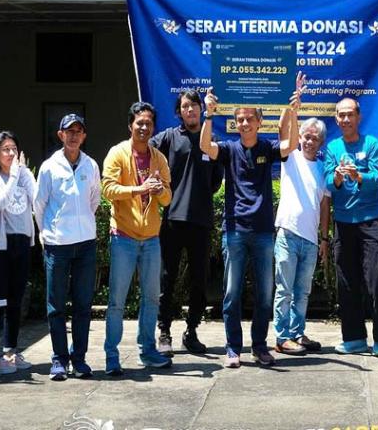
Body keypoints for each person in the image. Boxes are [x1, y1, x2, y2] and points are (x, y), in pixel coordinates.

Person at [200, 80, 299, 368]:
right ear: (235, 123)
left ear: (259, 122)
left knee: (264, 296)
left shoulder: (267, 148)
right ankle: (233, 348)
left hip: (263, 232)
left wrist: (292, 111)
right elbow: (205, 145)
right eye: (239, 119)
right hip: (234, 231)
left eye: (249, 119)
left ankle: (259, 346)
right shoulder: (229, 149)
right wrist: (209, 114)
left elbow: (291, 144)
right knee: (231, 295)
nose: (244, 123)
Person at [150, 91, 223, 356]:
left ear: (201, 109)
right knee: (167, 279)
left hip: (201, 221)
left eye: (194, 105)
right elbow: (143, 151)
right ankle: (164, 332)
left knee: (199, 281)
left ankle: (191, 331)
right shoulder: (168, 138)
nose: (190, 109)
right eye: (185, 106)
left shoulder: (211, 140)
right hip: (171, 220)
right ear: (179, 111)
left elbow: (216, 181)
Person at [102, 102, 173, 375]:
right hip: (124, 236)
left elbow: (168, 198)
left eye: (148, 123)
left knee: (152, 298)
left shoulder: (159, 158)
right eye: (139, 122)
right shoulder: (117, 153)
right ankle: (112, 356)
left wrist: (157, 191)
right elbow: (108, 189)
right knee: (117, 301)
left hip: (152, 238)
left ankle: (148, 350)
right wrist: (139, 188)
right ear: (130, 124)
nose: (144, 127)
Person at [34, 113, 101, 381]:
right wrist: (47, 234)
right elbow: (39, 206)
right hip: (58, 245)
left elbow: (94, 200)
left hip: (85, 244)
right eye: (68, 131)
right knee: (56, 306)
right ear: (60, 135)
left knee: (83, 305)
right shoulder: (49, 167)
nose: (74, 136)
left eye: (78, 131)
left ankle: (80, 359)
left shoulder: (91, 165)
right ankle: (59, 359)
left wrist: (81, 223)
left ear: (84, 136)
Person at [324, 97, 378, 357]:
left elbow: (377, 177)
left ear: (359, 117)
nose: (346, 119)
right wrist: (338, 178)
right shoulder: (332, 147)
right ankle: (354, 338)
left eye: (351, 114)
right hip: (343, 223)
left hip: (371, 221)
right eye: (341, 115)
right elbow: (328, 182)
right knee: (347, 282)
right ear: (336, 119)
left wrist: (358, 175)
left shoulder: (371, 144)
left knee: (375, 279)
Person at [273, 97, 331, 355]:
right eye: (305, 136)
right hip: (288, 233)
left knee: (303, 292)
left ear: (320, 142)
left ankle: (297, 332)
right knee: (284, 289)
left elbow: (325, 206)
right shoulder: (291, 157)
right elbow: (282, 131)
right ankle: (282, 336)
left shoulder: (322, 168)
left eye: (314, 138)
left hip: (310, 239)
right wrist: (291, 109)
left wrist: (324, 238)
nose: (308, 141)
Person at [0, 131, 37, 374]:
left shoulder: (21, 174)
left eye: (14, 148)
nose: (11, 153)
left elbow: (37, 199)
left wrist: (24, 174)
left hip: (21, 243)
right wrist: (14, 175)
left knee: (16, 300)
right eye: (5, 149)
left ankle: (11, 350)